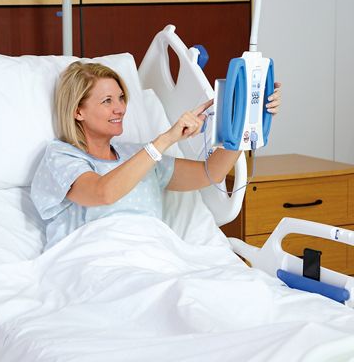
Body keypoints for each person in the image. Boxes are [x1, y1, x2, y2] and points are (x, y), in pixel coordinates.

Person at [31, 62, 281, 250]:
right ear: (78, 112)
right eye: (107, 101)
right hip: (96, 260)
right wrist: (164, 141)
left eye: (121, 98)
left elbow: (211, 173)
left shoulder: (137, 154)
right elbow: (103, 193)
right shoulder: (61, 156)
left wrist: (245, 121)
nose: (120, 108)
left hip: (155, 256)